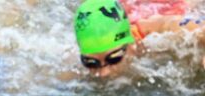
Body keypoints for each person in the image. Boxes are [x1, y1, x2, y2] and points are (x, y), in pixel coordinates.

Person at [74, 0, 205, 77]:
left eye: (114, 58)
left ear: (131, 42)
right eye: (90, 63)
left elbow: (184, 25)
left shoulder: (153, 32)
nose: (103, 73)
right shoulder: (71, 59)